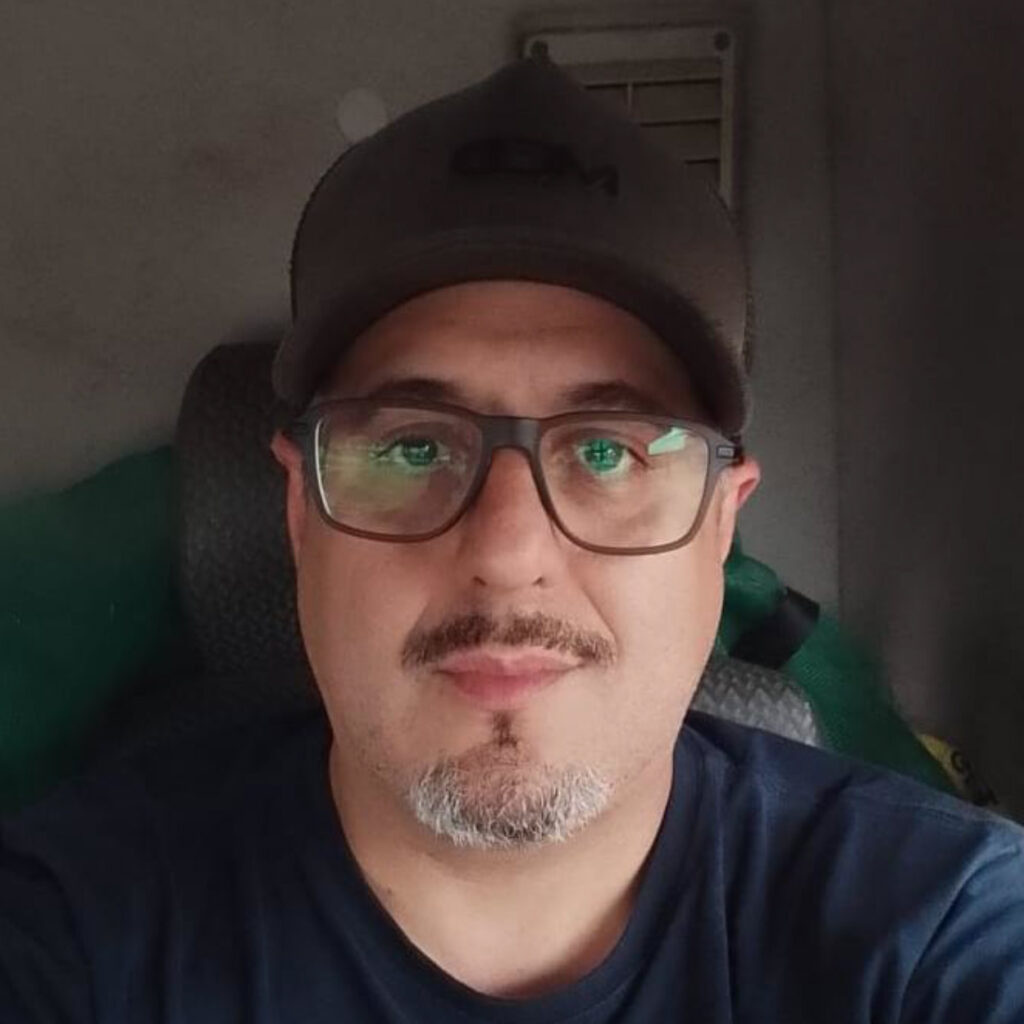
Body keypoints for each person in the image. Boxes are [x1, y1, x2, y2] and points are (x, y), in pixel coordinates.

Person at [2, 53, 1023, 1023]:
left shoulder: (938, 929)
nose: (506, 551)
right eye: (411, 447)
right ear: (299, 513)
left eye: (609, 452)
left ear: (720, 523)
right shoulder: (71, 926)